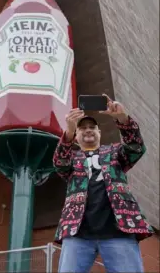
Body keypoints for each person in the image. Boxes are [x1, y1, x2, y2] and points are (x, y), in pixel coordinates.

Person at [53, 94, 154, 273]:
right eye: (82, 128)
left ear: (100, 133)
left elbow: (136, 147)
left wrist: (122, 118)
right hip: (77, 233)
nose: (88, 130)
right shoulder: (72, 158)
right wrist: (68, 132)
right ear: (76, 136)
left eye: (92, 127)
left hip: (119, 230)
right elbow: (59, 164)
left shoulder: (115, 152)